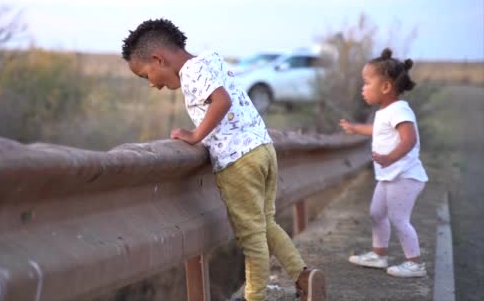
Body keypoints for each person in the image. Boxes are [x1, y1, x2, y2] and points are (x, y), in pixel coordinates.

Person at [121, 18, 326, 301]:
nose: (152, 85)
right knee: (266, 224)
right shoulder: (210, 60)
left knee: (251, 236)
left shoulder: (191, 73)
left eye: (146, 76)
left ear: (158, 59)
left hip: (238, 160)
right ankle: (303, 277)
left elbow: (221, 101)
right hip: (263, 149)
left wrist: (195, 136)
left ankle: (255, 297)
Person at [340, 48, 428, 278]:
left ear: (386, 87)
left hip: (404, 175)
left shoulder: (400, 109)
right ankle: (379, 255)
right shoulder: (385, 111)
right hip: (390, 175)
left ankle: (415, 263)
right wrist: (355, 128)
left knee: (399, 219)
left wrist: (390, 157)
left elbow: (410, 139)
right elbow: (377, 130)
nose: (363, 87)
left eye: (367, 82)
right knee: (376, 213)